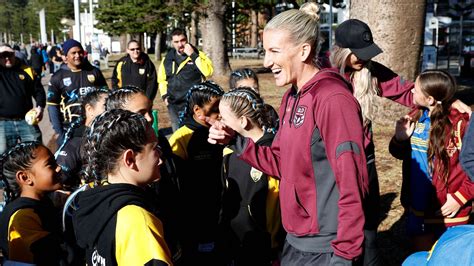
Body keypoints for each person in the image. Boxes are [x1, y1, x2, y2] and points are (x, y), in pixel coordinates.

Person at [208, 3, 368, 265]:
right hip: (294, 240)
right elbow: (282, 163)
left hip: (327, 247)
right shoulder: (291, 97)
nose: (266, 62)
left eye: (274, 51)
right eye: (265, 51)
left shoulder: (333, 99)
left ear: (304, 50)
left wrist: (344, 255)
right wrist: (236, 140)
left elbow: (353, 180)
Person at [72, 109, 172, 265]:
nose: (160, 157)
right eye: (155, 149)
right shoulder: (138, 221)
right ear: (130, 159)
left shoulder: (96, 199)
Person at [389, 70, 474, 252]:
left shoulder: (461, 123)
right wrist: (399, 139)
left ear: (430, 99)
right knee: (423, 259)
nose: (411, 91)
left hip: (451, 213)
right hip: (419, 210)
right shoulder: (417, 115)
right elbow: (399, 154)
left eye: (416, 89)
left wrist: (461, 198)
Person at [218, 87, 283, 265]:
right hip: (236, 244)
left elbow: (277, 206)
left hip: (267, 249)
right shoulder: (229, 150)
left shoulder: (272, 154)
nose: (219, 122)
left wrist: (276, 247)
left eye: (223, 117)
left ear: (243, 121)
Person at [169, 80, 224, 264]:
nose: (220, 113)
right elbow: (176, 181)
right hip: (195, 211)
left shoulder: (219, 131)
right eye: (215, 108)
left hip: (219, 205)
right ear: (198, 111)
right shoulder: (181, 138)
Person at [0, 142, 65, 265]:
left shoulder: (42, 201)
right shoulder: (22, 218)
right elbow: (52, 257)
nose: (58, 167)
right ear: (25, 178)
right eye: (50, 164)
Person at [47, 39, 108, 145]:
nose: (78, 55)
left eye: (80, 52)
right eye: (73, 53)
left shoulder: (94, 72)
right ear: (66, 56)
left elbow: (106, 97)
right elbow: (53, 107)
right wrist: (59, 133)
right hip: (70, 131)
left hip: (94, 128)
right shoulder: (57, 77)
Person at [158, 28, 214, 132]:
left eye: (182, 40)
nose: (180, 44)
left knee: (195, 133)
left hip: (193, 103)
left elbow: (208, 72)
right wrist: (165, 96)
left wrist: (193, 55)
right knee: (178, 133)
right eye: (176, 42)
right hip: (174, 104)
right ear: (172, 43)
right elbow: (162, 80)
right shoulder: (167, 59)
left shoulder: (198, 55)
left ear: (187, 40)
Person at [55, 88, 108, 191]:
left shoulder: (109, 136)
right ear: (89, 109)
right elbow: (61, 180)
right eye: (106, 106)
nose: (111, 110)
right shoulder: (76, 142)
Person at [0, 44, 45, 155]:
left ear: (14, 54)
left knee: (36, 153)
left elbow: (38, 91)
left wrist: (40, 107)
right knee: (4, 157)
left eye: (9, 54)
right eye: (3, 55)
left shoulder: (27, 70)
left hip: (26, 121)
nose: (7, 58)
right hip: (2, 123)